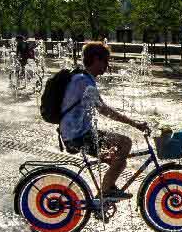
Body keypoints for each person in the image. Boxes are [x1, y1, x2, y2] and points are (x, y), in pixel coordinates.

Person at [60, 42, 149, 200]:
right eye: (105, 61)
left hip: (78, 133)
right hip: (78, 136)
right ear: (96, 59)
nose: (107, 66)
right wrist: (135, 124)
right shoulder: (84, 82)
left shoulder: (83, 78)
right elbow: (104, 110)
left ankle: (106, 191)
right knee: (125, 143)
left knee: (118, 160)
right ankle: (105, 193)